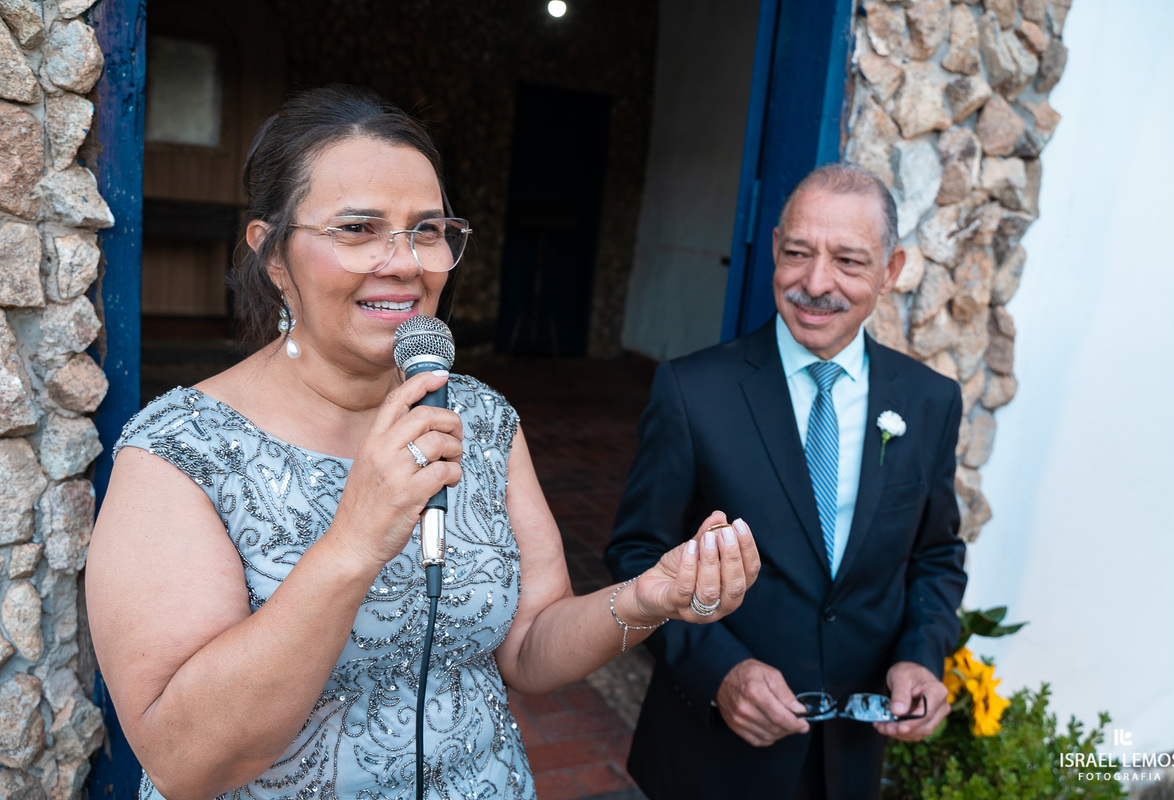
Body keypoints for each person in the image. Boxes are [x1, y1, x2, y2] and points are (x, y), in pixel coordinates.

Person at [85, 85, 761, 800]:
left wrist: (649, 596)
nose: (403, 262)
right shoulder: (178, 452)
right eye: (358, 229)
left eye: (427, 230)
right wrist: (353, 542)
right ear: (272, 254)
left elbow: (529, 649)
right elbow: (185, 763)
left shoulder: (483, 420)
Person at [604, 163, 968, 799]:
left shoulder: (930, 401)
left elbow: (935, 556)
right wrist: (722, 670)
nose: (815, 283)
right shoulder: (693, 392)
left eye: (849, 262)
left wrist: (920, 655)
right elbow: (635, 556)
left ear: (892, 270)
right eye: (797, 253)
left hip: (848, 760)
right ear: (774, 248)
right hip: (711, 757)